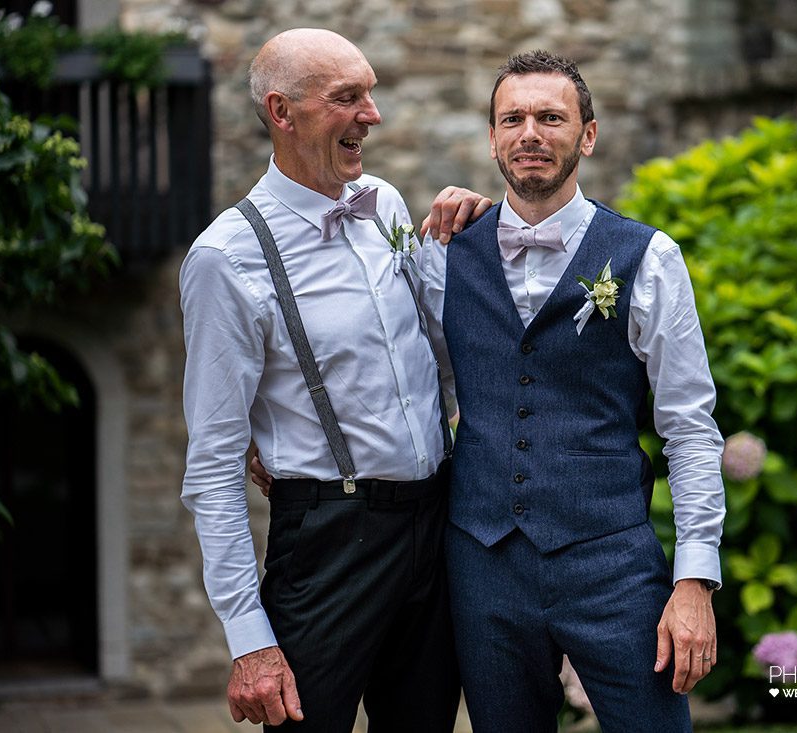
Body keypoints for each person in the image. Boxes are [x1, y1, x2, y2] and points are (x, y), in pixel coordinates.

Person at [180, 28, 489, 732]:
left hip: (436, 524)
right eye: (348, 98)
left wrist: (465, 237)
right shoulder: (225, 258)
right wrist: (248, 638)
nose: (372, 115)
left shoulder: (382, 202)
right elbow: (215, 463)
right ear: (283, 113)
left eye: (370, 94)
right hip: (328, 545)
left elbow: (437, 350)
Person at [423, 51, 726, 732]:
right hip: (483, 564)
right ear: (493, 137)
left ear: (587, 135)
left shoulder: (649, 257)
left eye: (550, 117)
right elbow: (412, 386)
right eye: (513, 118)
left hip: (612, 563)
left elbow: (690, 427)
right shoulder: (441, 253)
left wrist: (694, 580)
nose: (530, 131)